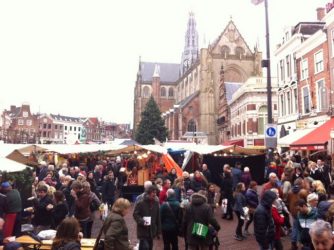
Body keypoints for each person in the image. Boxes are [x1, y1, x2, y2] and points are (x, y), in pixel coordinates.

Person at [133, 185, 161, 250]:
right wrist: (142, 221)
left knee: (150, 247)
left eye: (155, 192)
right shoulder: (141, 203)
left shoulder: (156, 203)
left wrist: (158, 230)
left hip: (152, 230)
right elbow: (135, 214)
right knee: (145, 247)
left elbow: (158, 217)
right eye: (153, 192)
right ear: (148, 193)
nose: (155, 194)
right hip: (143, 230)